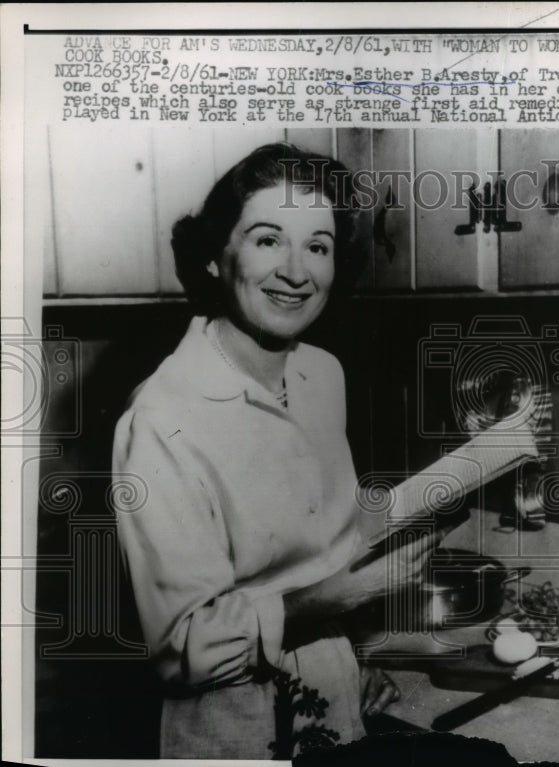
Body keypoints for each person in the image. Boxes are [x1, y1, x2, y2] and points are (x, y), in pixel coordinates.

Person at [112, 143, 441, 759]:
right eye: (268, 240)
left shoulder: (322, 375)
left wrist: (353, 659)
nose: (297, 271)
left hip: (335, 709)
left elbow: (328, 547)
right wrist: (331, 601)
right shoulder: (163, 419)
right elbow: (181, 649)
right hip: (231, 727)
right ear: (215, 257)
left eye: (317, 246)